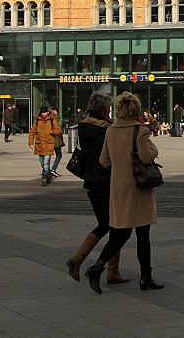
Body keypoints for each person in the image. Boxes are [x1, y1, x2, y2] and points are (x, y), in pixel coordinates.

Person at [85, 91, 163, 293]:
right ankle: (145, 276)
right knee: (143, 234)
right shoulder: (141, 130)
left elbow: (104, 161)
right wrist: (154, 149)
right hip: (138, 189)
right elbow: (147, 157)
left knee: (120, 233)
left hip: (118, 188)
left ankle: (98, 267)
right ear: (136, 109)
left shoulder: (111, 130)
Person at [67, 93, 130, 285]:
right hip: (107, 182)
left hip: (91, 182)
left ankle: (103, 267)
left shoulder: (84, 126)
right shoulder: (107, 129)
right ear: (104, 109)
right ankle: (96, 265)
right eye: (109, 107)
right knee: (117, 226)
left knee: (105, 224)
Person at [29, 106, 61, 186]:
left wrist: (51, 131)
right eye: (42, 112)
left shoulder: (52, 120)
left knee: (46, 162)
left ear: (47, 112)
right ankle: (48, 175)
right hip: (39, 144)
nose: (43, 114)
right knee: (42, 163)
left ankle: (44, 178)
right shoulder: (37, 121)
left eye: (45, 112)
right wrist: (30, 143)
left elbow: (59, 130)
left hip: (48, 144)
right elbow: (32, 132)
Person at [50, 108, 65, 177]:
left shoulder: (52, 120)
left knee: (51, 155)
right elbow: (58, 131)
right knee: (59, 155)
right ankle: (53, 169)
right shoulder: (53, 121)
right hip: (55, 141)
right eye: (55, 114)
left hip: (54, 140)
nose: (56, 115)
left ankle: (51, 170)